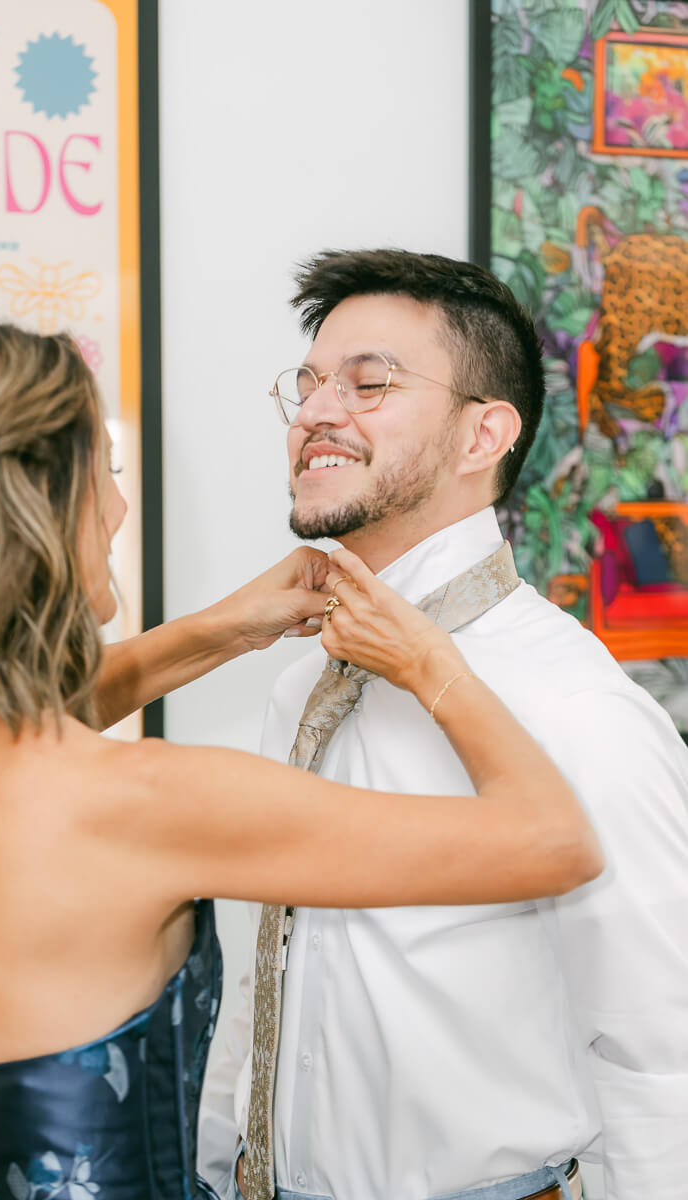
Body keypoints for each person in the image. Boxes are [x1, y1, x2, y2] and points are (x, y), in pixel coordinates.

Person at [0, 313, 602, 1200]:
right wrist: (432, 666)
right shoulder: (145, 804)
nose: (116, 506)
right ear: (29, 510)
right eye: (100, 473)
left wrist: (218, 630)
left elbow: (4, 728)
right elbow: (553, 838)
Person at [198, 250, 688, 1200]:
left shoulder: (574, 709)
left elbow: (663, 1051)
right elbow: (268, 973)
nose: (315, 412)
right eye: (305, 384)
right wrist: (221, 1166)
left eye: (369, 382)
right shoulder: (299, 684)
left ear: (483, 436)